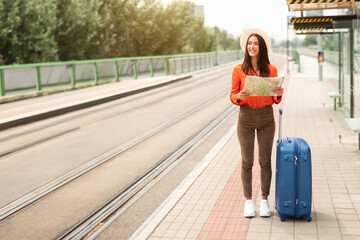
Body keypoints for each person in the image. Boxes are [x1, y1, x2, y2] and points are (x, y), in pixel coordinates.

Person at [230, 28, 283, 218]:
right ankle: (248, 202)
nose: (252, 46)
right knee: (247, 161)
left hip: (267, 117)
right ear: (246, 47)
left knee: (265, 161)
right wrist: (238, 96)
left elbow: (275, 99)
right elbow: (232, 95)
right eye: (249, 43)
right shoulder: (238, 70)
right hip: (245, 117)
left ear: (261, 48)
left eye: (256, 44)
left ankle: (264, 200)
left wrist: (278, 95)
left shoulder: (272, 70)